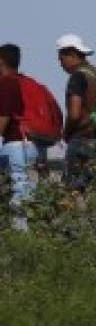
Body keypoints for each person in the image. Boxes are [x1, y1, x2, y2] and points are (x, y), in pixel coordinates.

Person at [56, 34, 96, 190]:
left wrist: (66, 133)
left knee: (73, 194)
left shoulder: (78, 77)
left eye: (61, 58)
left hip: (83, 140)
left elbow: (74, 114)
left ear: (72, 54)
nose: (60, 63)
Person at [0, 44, 49, 209]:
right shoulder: (28, 82)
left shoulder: (7, 83)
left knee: (18, 195)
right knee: (30, 194)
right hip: (34, 143)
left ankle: (20, 232)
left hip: (15, 145)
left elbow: (4, 117)